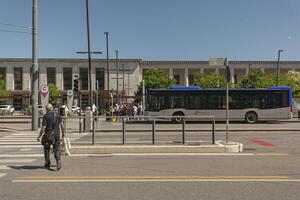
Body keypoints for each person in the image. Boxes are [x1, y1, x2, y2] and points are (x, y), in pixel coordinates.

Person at [37, 103, 65, 171]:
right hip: (57, 134)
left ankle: (47, 162)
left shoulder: (46, 116)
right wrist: (63, 133)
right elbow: (62, 125)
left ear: (46, 109)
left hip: (48, 134)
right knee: (57, 148)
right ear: (52, 108)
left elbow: (43, 127)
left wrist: (40, 136)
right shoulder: (58, 114)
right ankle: (58, 160)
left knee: (47, 149)